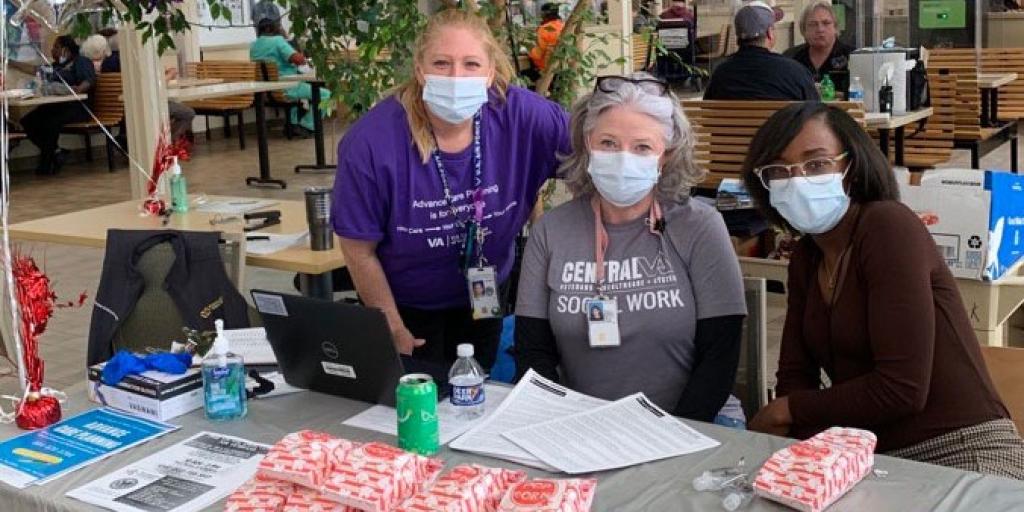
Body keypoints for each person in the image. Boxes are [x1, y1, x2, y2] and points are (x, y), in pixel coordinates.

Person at [742, 102, 1024, 479]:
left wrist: (786, 412)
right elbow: (795, 373)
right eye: (779, 171)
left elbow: (901, 388)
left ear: (852, 167)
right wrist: (796, 445)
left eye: (817, 164)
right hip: (869, 459)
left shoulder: (888, 228)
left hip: (963, 453)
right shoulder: (807, 257)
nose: (797, 180)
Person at [331, 9, 571, 370]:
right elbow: (357, 249)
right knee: (422, 399)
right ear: (419, 69)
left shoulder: (521, 116)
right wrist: (393, 327)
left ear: (491, 71)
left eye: (471, 64)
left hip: (485, 292)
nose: (456, 76)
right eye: (441, 63)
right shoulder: (371, 142)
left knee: (480, 387)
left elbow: (594, 154)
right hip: (407, 304)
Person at [514, 74, 748, 427]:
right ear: (586, 144)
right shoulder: (551, 231)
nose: (623, 158)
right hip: (580, 424)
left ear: (665, 156)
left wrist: (673, 433)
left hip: (691, 419)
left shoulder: (700, 227)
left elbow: (720, 357)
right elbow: (534, 354)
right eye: (608, 143)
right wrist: (560, 426)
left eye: (641, 147)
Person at [703, 1, 818, 101]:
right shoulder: (795, 72)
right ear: (769, 33)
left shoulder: (720, 73)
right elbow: (815, 111)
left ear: (738, 35)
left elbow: (708, 109)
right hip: (778, 127)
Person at [14, 35, 95, 175]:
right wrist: (10, 62)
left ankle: (46, 163)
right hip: (57, 106)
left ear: (65, 50)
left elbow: (88, 80)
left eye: (56, 47)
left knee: (51, 123)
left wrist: (78, 89)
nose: (52, 50)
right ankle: (57, 152)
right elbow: (34, 70)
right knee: (28, 121)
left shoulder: (81, 61)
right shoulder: (57, 66)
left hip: (78, 107)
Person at [250, 17, 329, 135]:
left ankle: (292, 124)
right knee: (325, 95)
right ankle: (308, 125)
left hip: (267, 90)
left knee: (300, 90)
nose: (280, 28)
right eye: (278, 26)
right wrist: (298, 50)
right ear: (269, 28)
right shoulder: (277, 40)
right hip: (286, 87)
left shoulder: (254, 45)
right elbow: (298, 59)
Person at [784, 1, 853, 95]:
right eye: (813, 24)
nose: (820, 29)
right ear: (804, 30)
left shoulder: (851, 57)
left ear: (835, 28)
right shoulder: (791, 57)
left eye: (826, 23)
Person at [526, 3, 564, 79]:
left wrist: (528, 51)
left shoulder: (544, 29)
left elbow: (537, 55)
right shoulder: (564, 26)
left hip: (544, 69)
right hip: (560, 69)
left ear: (544, 14)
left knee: (520, 75)